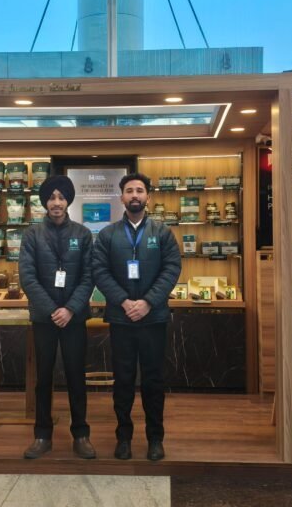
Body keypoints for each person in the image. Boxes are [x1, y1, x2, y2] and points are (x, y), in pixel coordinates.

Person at [92, 172, 181, 461]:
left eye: (139, 190)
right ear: (121, 197)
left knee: (153, 381)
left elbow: (171, 268)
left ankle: (155, 438)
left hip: (153, 318)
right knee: (123, 381)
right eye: (129, 190)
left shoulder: (162, 233)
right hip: (121, 319)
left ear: (148, 197)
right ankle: (124, 438)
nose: (134, 195)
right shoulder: (108, 235)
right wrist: (123, 301)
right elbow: (100, 271)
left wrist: (147, 302)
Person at [18, 174, 96, 460]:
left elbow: (89, 277)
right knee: (43, 378)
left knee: (76, 376)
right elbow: (28, 277)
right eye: (51, 198)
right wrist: (53, 309)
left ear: (68, 201)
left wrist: (70, 309)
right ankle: (42, 435)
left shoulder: (83, 234)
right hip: (44, 319)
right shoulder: (32, 235)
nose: (56, 202)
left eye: (61, 197)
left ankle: (81, 435)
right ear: (45, 202)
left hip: (74, 318)